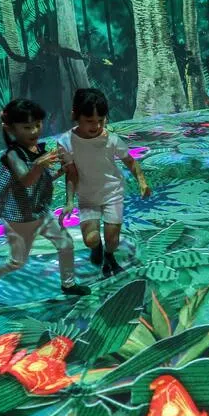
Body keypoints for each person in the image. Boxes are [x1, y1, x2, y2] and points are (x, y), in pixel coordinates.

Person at [0, 99, 90, 303]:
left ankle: (68, 285)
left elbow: (40, 180)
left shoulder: (37, 150)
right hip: (19, 220)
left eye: (37, 125)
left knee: (66, 244)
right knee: (17, 262)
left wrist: (59, 171)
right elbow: (26, 181)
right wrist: (40, 165)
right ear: (11, 129)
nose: (34, 131)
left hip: (41, 213)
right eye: (27, 127)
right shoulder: (13, 155)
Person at [57, 88, 152, 277]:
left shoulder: (111, 139)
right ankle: (97, 247)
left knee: (113, 240)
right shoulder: (65, 142)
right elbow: (71, 174)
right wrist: (69, 201)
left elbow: (130, 161)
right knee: (90, 239)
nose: (96, 126)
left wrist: (142, 182)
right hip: (87, 197)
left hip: (112, 193)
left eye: (101, 120)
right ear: (75, 116)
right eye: (90, 121)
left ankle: (109, 256)